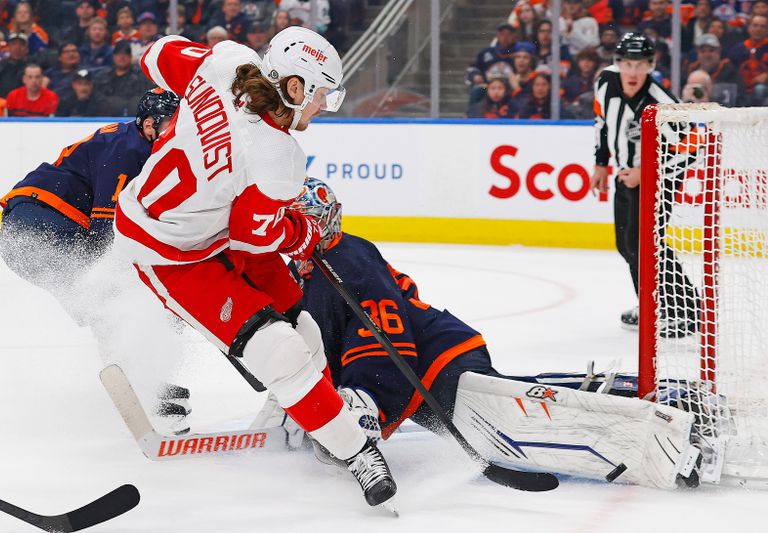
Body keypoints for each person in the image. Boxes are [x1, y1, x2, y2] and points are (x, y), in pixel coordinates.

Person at [252, 177, 705, 491]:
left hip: (435, 360)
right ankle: (658, 395)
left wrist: (364, 399)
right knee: (515, 406)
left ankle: (663, 409)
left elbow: (385, 334)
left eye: (301, 224)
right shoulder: (313, 273)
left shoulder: (345, 257)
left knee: (517, 424)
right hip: (418, 378)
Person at [112, 28, 397, 510]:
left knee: (304, 330)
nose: (322, 108)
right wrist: (304, 232)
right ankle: (355, 450)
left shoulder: (226, 61)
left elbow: (156, 55)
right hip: (168, 251)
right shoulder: (279, 156)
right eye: (321, 96)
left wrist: (194, 120)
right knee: (282, 351)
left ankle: (312, 413)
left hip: (206, 226)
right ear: (294, 86)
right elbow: (254, 236)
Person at [0, 88, 188, 433]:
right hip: (37, 227)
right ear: (148, 124)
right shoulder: (129, 151)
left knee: (108, 302)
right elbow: (106, 234)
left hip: (34, 228)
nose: (175, 133)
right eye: (168, 125)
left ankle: (136, 382)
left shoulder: (140, 143)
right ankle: (139, 387)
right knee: (114, 296)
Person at [590, 32, 699, 336]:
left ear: (651, 65)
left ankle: (686, 310)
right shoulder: (605, 83)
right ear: (617, 63)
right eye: (627, 64)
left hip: (659, 181)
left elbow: (692, 147)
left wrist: (645, 172)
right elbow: (602, 122)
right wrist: (601, 162)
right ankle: (652, 304)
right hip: (627, 176)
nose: (633, 72)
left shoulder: (662, 102)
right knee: (626, 245)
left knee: (645, 245)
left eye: (640, 65)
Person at [93, 41, 153, 116]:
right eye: (118, 54)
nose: (122, 57)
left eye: (125, 54)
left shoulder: (141, 76)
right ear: (113, 57)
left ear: (131, 57)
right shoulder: (103, 76)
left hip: (132, 117)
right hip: (105, 118)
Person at [0, 32, 29, 98]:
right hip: (2, 103)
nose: (17, 48)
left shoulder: (30, 68)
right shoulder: (2, 65)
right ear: (8, 48)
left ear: (26, 49)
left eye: (21, 45)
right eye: (14, 44)